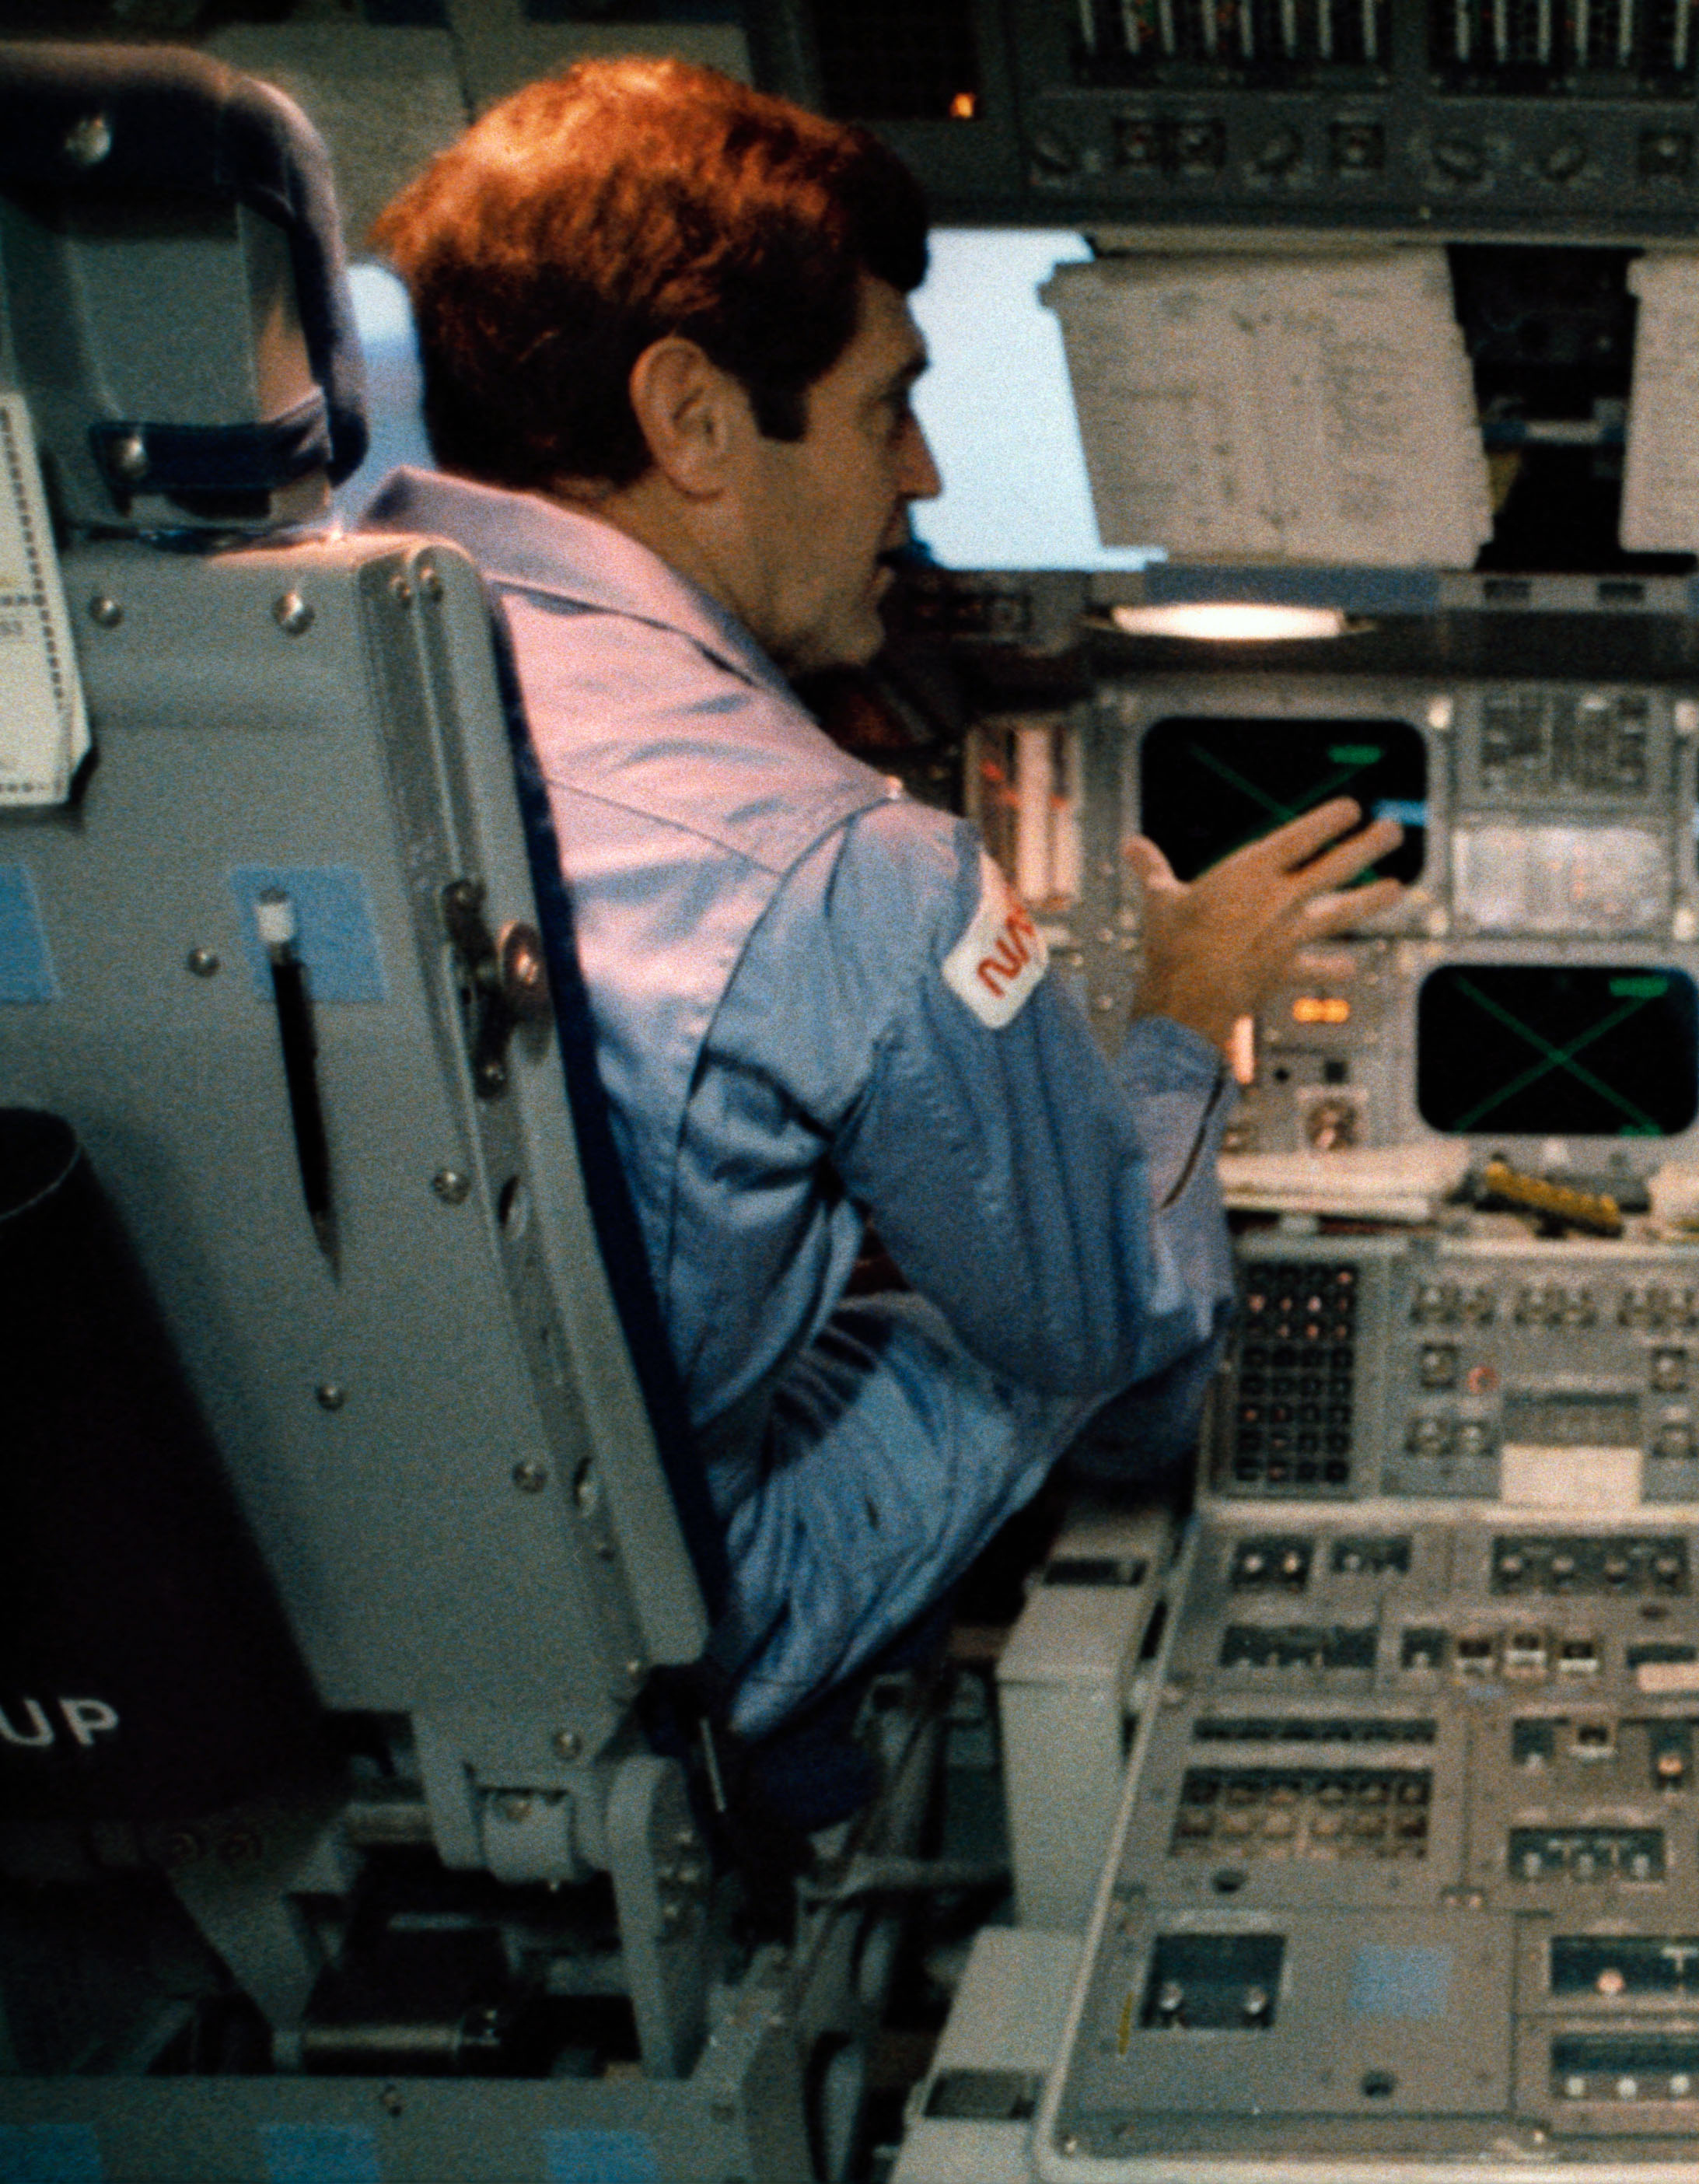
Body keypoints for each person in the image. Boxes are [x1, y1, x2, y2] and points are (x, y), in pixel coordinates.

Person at [362, 59, 1403, 1767]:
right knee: (1077, 1301)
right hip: (666, 1636)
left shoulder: (282, 693)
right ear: (692, 419)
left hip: (299, 1604)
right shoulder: (846, 863)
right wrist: (1176, 1024)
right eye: (883, 405)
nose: (917, 474)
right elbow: (1109, 1338)